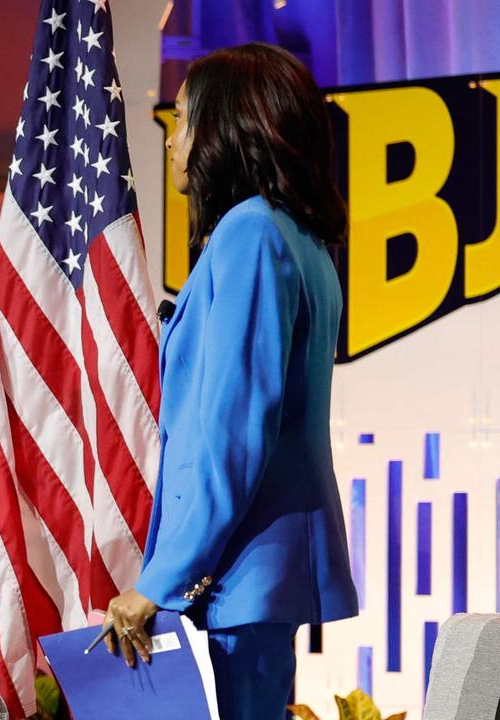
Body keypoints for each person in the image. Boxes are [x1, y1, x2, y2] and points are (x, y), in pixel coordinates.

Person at [99, 43, 359, 720]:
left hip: (243, 565)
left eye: (183, 119)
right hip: (254, 570)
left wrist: (161, 581)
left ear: (227, 127)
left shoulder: (250, 236)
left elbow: (235, 435)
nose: (173, 138)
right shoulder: (299, 240)